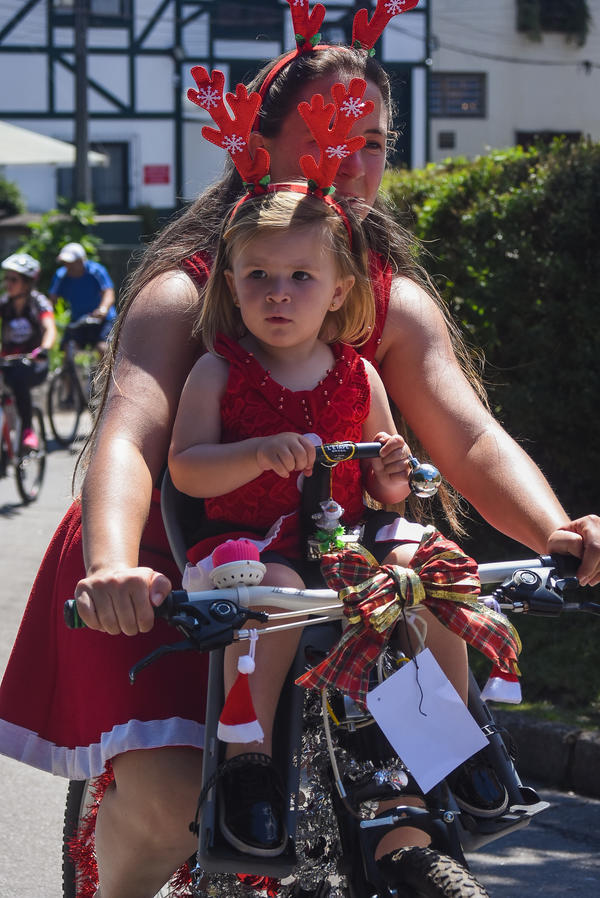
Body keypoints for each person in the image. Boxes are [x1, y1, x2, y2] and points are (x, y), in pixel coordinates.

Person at [0, 6, 599, 895]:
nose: (354, 166)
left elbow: (465, 434)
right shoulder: (187, 291)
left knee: (420, 743)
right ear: (260, 145)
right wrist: (114, 566)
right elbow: (130, 434)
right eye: (328, 135)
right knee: (172, 803)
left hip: (342, 569)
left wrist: (562, 533)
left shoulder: (386, 300)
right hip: (181, 571)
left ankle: (431, 796)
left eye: (373, 141)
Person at [168, 185, 419, 856]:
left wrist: (392, 470)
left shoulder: (360, 374)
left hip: (342, 544)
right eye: (259, 277)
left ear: (339, 289)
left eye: (301, 276)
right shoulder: (218, 372)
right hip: (250, 545)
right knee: (274, 587)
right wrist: (253, 454)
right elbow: (187, 471)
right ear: (232, 284)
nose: (278, 292)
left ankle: (449, 740)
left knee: (416, 576)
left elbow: (386, 490)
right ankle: (247, 759)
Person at [0, 252, 56, 450]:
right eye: (7, 278)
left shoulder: (38, 303)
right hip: (7, 361)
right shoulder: (4, 304)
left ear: (26, 282)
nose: (8, 283)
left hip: (34, 363)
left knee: (18, 378)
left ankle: (27, 429)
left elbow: (50, 328)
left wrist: (44, 349)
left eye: (13, 279)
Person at [49, 242, 116, 355]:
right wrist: (47, 315)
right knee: (68, 349)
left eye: (71, 263)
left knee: (103, 349)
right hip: (78, 320)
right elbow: (52, 299)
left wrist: (103, 309)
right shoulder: (61, 276)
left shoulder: (96, 271)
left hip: (102, 319)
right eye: (65, 263)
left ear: (81, 261)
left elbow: (108, 293)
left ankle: (107, 372)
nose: (68, 267)